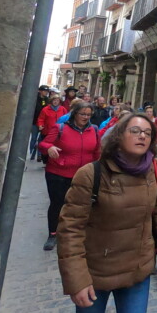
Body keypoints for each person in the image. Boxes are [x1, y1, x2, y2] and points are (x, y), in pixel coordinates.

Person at [57, 113, 157, 313]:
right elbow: (70, 230)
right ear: (118, 136)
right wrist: (77, 280)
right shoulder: (91, 174)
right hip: (96, 274)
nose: (142, 136)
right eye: (135, 131)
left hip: (137, 270)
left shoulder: (156, 169)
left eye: (147, 132)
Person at [38, 101, 100, 251]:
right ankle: (53, 234)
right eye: (82, 114)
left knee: (80, 205)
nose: (86, 117)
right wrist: (50, 147)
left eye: (88, 115)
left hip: (83, 175)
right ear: (75, 114)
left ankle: (73, 234)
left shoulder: (94, 130)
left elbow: (97, 151)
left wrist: (98, 168)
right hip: (58, 173)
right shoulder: (60, 128)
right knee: (57, 204)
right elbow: (42, 144)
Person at [31, 85, 51, 160]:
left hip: (44, 122)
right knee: (33, 138)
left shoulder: (47, 100)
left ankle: (39, 154)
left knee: (41, 139)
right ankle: (31, 153)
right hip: (35, 121)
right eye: (44, 91)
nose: (45, 92)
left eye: (46, 91)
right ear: (40, 91)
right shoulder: (35, 98)